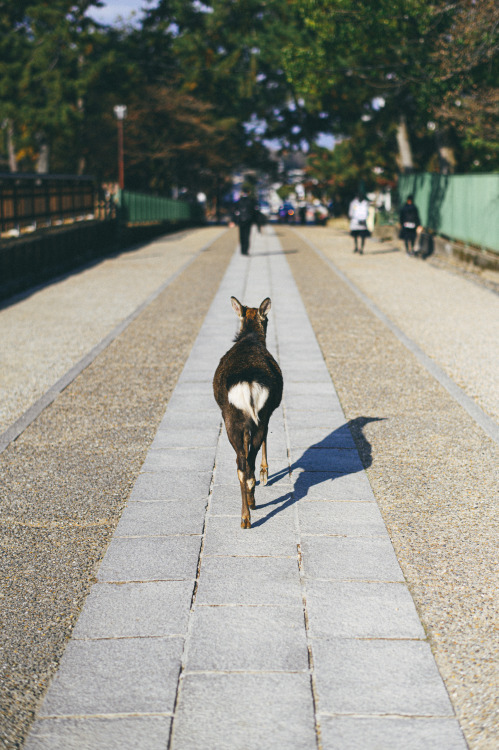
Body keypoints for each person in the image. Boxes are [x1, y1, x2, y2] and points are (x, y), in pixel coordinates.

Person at [233, 187, 257, 255]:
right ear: (248, 193)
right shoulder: (251, 200)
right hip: (248, 220)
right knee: (247, 235)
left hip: (241, 219)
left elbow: (235, 210)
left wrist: (235, 220)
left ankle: (242, 250)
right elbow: (254, 211)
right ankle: (246, 250)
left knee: (241, 235)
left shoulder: (239, 201)